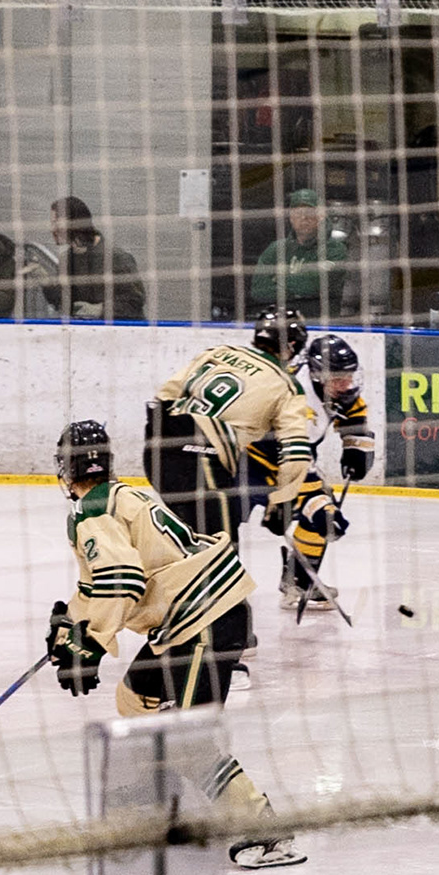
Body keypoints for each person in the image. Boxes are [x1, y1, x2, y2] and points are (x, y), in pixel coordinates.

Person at [48, 421, 302, 869]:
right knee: (135, 697)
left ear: (67, 469)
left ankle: (266, 830)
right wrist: (74, 626)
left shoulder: (91, 511)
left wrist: (90, 644)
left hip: (203, 620)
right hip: (201, 615)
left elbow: (119, 581)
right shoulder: (125, 495)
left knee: (190, 740)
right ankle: (159, 803)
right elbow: (106, 584)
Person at [146, 305, 316, 543]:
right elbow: (296, 454)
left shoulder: (218, 351)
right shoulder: (288, 386)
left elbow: (162, 398)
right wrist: (283, 501)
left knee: (192, 544)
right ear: (293, 346)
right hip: (202, 463)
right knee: (223, 554)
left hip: (156, 452)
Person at [249, 333, 373, 609]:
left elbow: (353, 412)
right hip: (255, 460)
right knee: (322, 512)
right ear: (318, 376)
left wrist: (357, 446)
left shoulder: (336, 388)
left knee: (322, 509)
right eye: (339, 378)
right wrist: (312, 504)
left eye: (349, 375)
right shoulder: (296, 397)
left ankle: (298, 581)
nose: (347, 383)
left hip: (292, 454)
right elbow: (291, 461)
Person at [248, 188, 345, 321]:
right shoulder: (276, 249)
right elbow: (258, 290)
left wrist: (278, 278)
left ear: (321, 216)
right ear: (291, 217)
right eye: (298, 212)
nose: (304, 218)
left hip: (321, 325)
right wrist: (298, 288)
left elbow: (314, 285)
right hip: (280, 325)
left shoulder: (335, 250)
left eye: (310, 212)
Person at [43, 195, 144, 320]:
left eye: (56, 222)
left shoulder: (116, 258)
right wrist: (45, 281)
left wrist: (100, 310)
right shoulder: (66, 261)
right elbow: (62, 304)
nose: (52, 229)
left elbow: (135, 303)